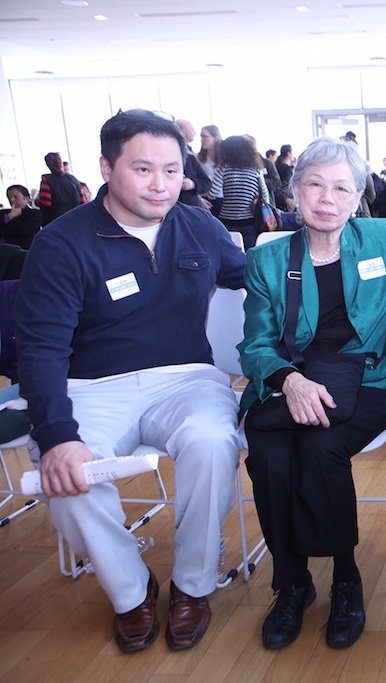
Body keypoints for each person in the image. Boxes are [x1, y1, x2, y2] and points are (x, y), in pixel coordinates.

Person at [16, 109, 246, 653]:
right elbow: (41, 348)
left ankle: (193, 586)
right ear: (105, 167)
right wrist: (56, 434)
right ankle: (130, 590)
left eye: (172, 170)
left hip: (186, 378)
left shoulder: (198, 226)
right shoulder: (61, 244)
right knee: (68, 475)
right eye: (143, 169)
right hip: (91, 386)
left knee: (214, 441)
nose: (160, 185)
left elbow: (255, 277)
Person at [239, 137, 386, 651]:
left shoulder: (384, 239)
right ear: (293, 192)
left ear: (357, 197)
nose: (327, 198)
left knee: (321, 445)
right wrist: (290, 380)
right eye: (315, 184)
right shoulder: (269, 259)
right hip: (291, 380)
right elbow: (255, 344)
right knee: (270, 451)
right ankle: (293, 581)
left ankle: (345, 577)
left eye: (341, 188)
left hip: (369, 380)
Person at [209, 135, 271, 250]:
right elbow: (265, 196)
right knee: (250, 256)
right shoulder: (256, 170)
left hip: (227, 222)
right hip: (250, 222)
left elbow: (213, 193)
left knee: (230, 257)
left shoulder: (223, 168)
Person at [36, 151, 86, 225]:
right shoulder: (73, 179)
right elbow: (82, 201)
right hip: (76, 220)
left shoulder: (47, 180)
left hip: (56, 222)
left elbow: (45, 202)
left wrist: (36, 201)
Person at [174, 119, 213, 209]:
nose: (194, 133)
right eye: (192, 129)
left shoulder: (190, 158)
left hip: (191, 208)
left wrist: (192, 184)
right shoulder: (159, 159)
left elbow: (206, 182)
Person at [1, 184, 42, 249]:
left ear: (26, 199)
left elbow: (23, 230)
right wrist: (10, 216)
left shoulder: (34, 214)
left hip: (27, 249)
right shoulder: (4, 213)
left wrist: (4, 229)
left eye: (15, 197)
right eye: (9, 197)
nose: (12, 200)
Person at [275, 144, 296, 210]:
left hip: (277, 201)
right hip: (286, 202)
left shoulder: (277, 166)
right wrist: (287, 200)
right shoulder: (287, 168)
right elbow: (286, 186)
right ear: (288, 154)